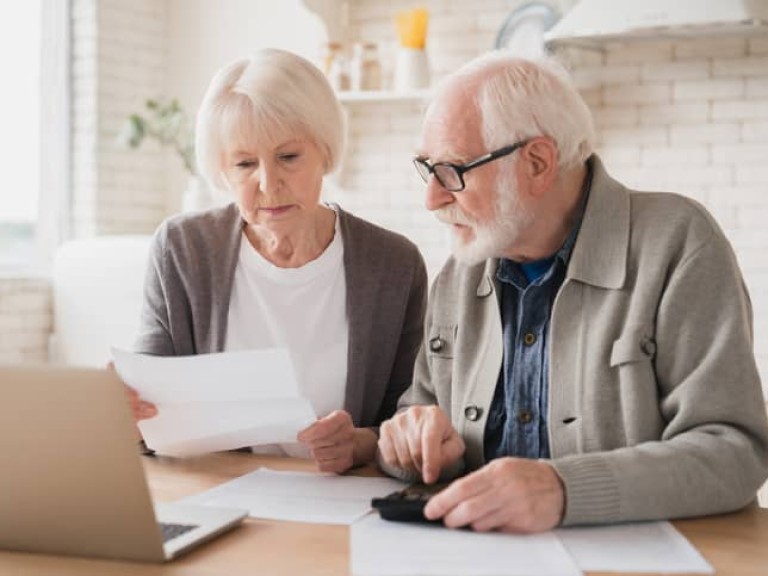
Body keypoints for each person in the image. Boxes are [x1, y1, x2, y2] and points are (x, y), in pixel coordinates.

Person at [377, 51, 768, 532]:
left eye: (453, 171)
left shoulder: (678, 242)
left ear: (537, 162)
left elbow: (734, 453)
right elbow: (418, 412)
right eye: (428, 168)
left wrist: (562, 490)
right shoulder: (464, 265)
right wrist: (410, 443)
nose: (432, 198)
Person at [125, 48, 427, 474]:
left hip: (340, 497)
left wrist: (358, 444)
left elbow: (411, 417)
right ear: (222, 170)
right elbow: (149, 413)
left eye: (288, 157)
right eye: (245, 163)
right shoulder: (181, 250)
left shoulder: (394, 265)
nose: (269, 183)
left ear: (325, 150)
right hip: (215, 494)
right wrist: (126, 412)